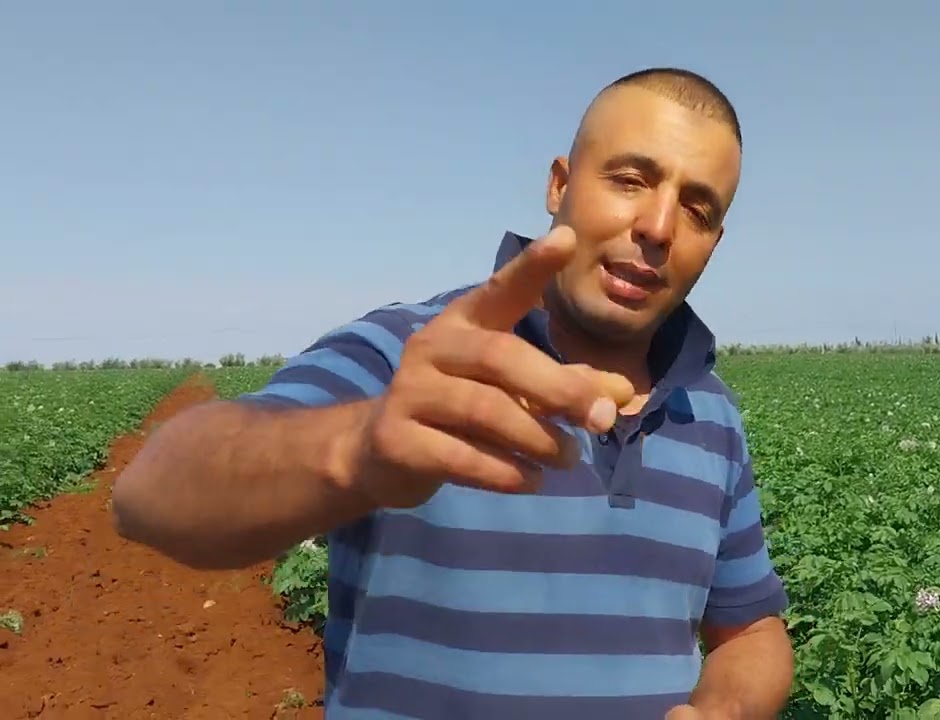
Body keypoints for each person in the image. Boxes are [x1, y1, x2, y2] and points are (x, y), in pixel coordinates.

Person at [112, 66, 794, 719]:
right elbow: (156, 493)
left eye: (697, 209)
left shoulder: (711, 413)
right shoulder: (413, 357)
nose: (659, 227)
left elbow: (751, 631)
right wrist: (358, 448)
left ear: (716, 239)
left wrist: (726, 705)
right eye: (629, 180)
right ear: (560, 185)